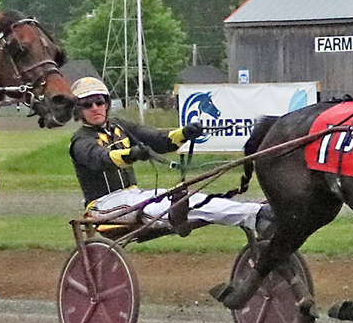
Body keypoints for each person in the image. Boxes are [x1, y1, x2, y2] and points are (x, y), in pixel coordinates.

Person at [68, 77, 274, 237]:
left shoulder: (120, 126)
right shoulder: (80, 141)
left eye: (99, 101)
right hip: (104, 206)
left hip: (134, 196)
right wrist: (132, 154)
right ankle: (176, 215)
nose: (95, 108)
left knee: (189, 198)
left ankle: (255, 214)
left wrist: (185, 133)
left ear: (106, 103)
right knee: (161, 206)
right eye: (87, 104)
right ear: (79, 110)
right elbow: (101, 158)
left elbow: (160, 140)